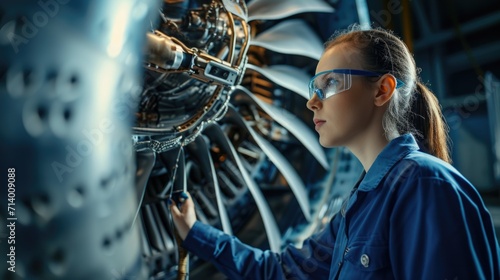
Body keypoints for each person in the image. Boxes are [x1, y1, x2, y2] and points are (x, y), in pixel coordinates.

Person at [169, 25, 500, 279]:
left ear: (382, 90)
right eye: (314, 87)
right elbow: (284, 272)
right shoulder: (359, 206)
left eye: (328, 85)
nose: (311, 101)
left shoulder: (426, 184)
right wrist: (196, 232)